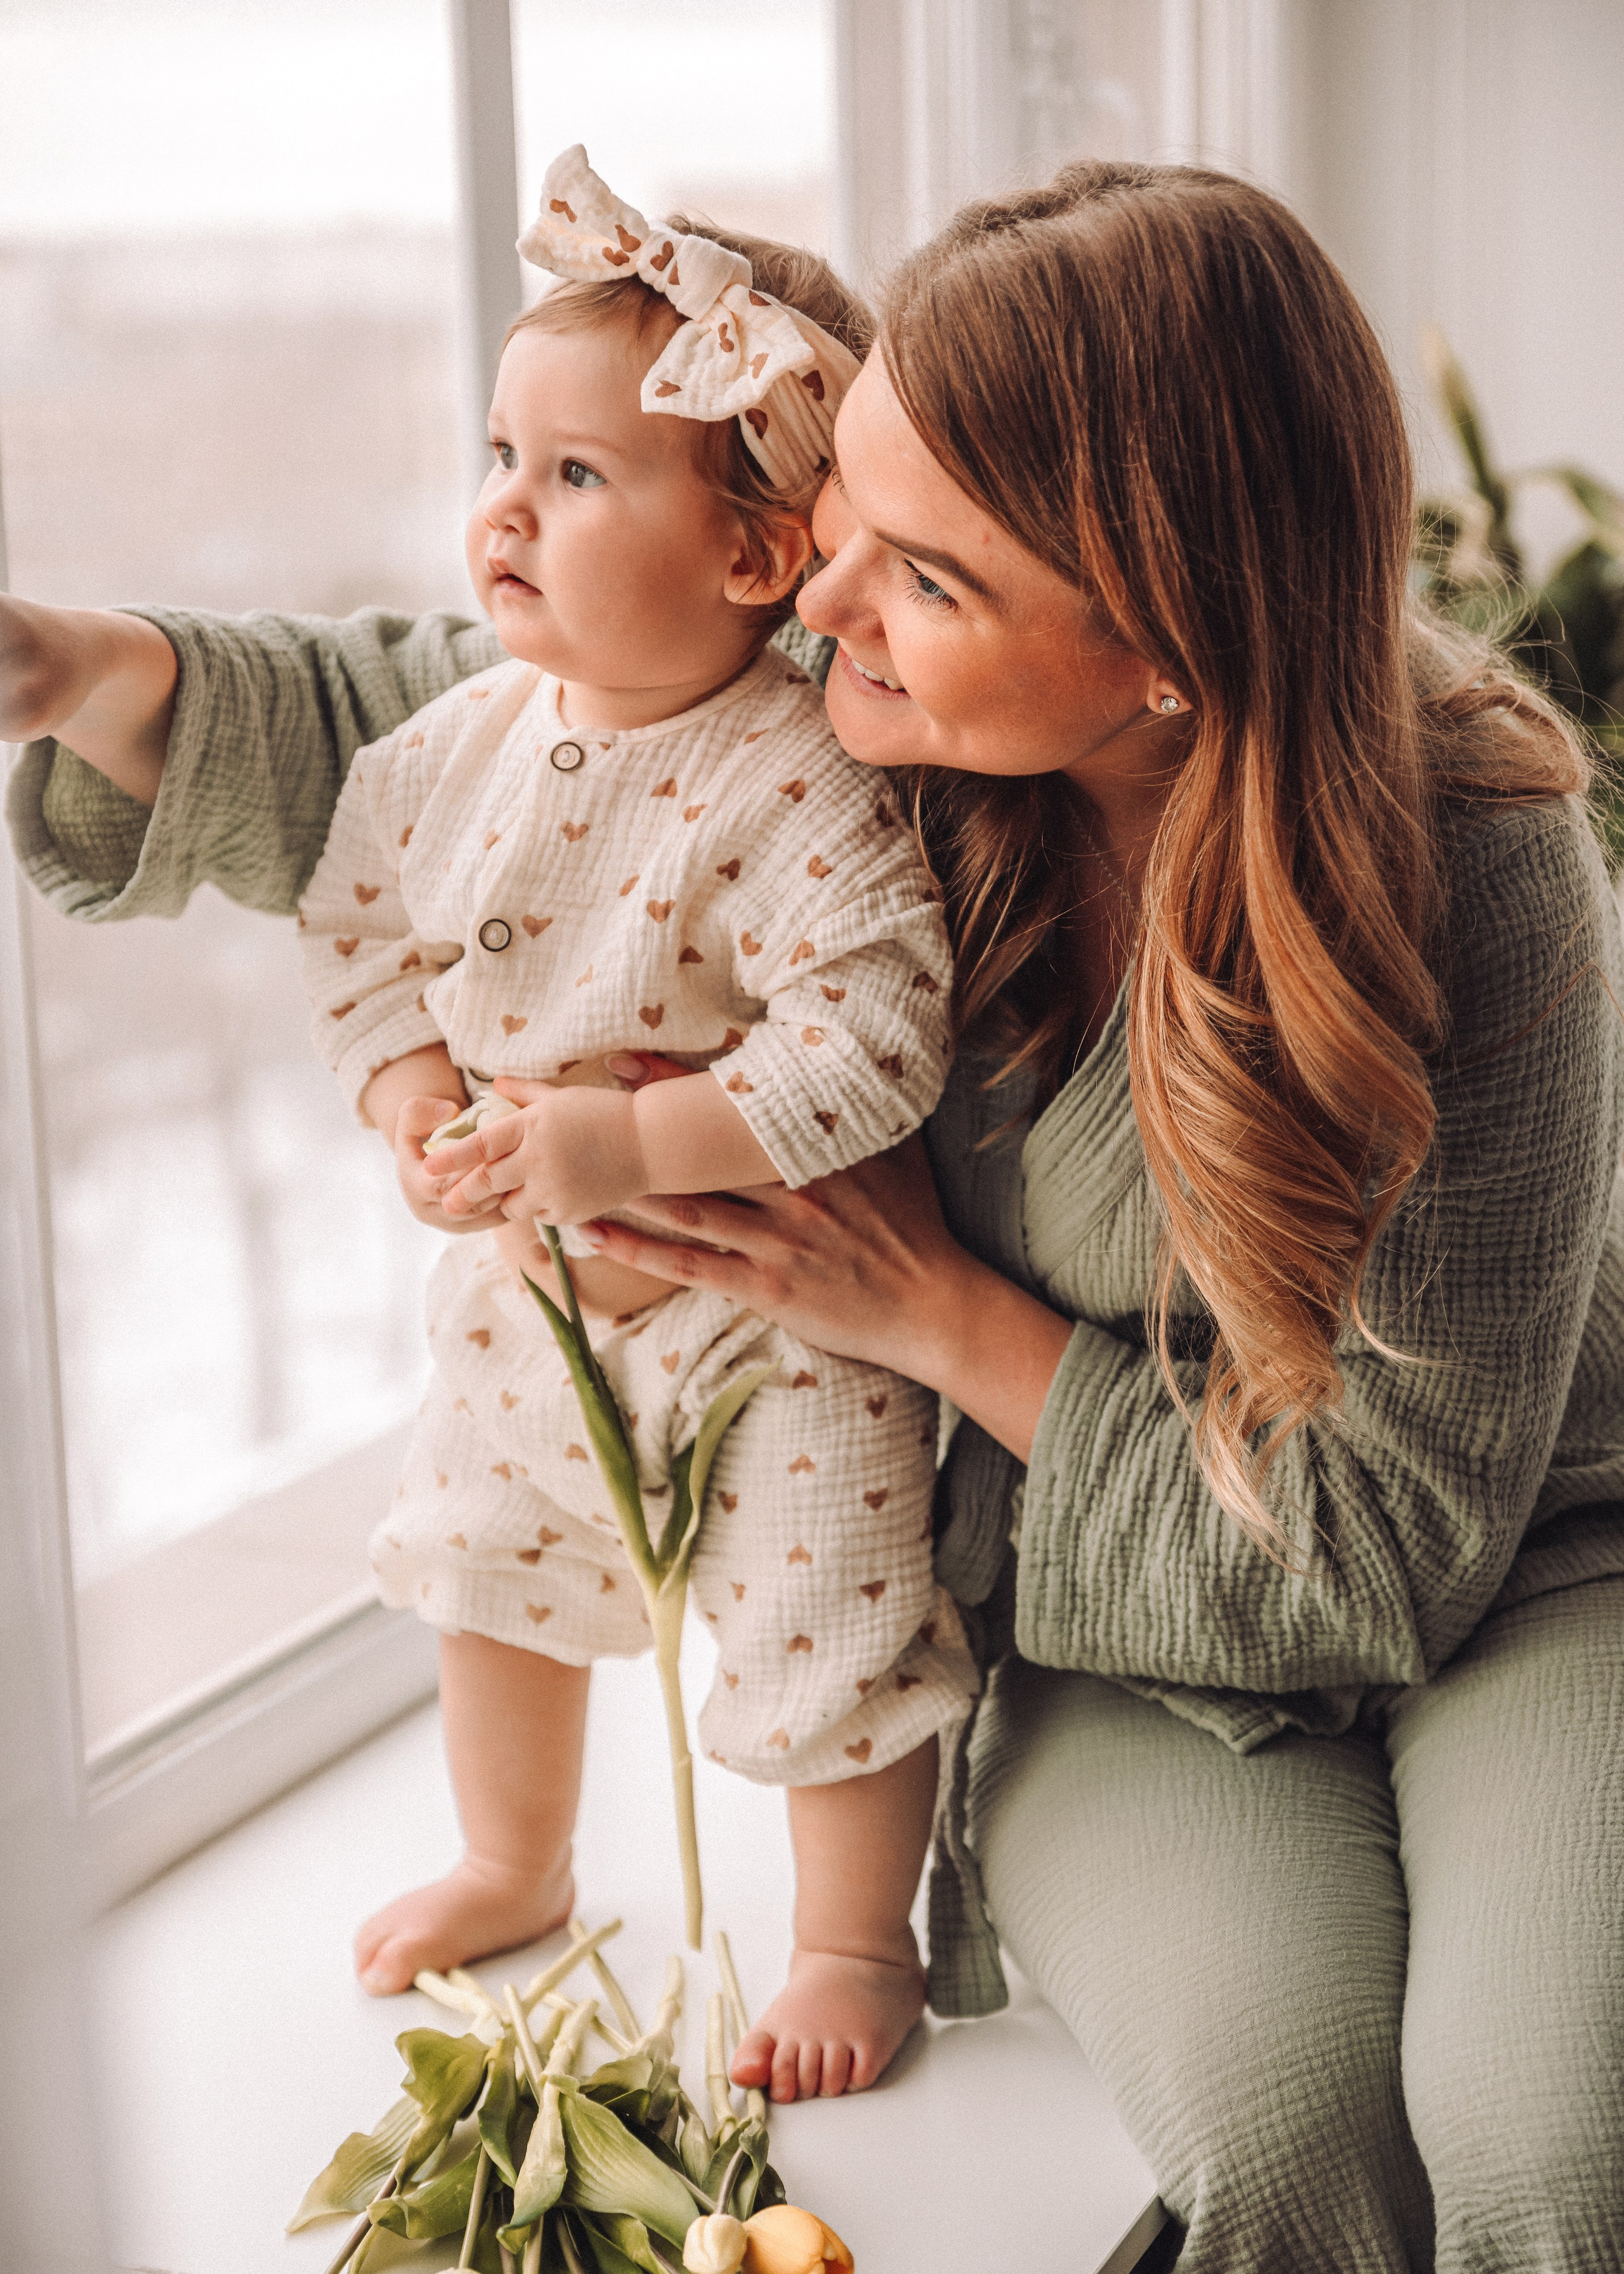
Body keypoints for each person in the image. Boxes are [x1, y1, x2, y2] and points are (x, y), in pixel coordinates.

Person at [4, 159, 1620, 2268]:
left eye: (923, 575)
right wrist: (77, 665)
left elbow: (1384, 1551)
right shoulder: (864, 735)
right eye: (840, 510)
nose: (824, 596)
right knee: (1283, 2133)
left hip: (1508, 1582)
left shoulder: (1480, 876)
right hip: (1091, 1617)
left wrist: (938, 1315)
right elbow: (464, 710)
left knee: (1555, 2143)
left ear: (1159, 657)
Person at [292, 145, 973, 2097]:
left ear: (754, 558)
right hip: (529, 1297)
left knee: (830, 1620)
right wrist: (414, 1094)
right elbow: (354, 931)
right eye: (500, 456)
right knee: (483, 1568)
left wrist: (631, 1149)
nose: (504, 508)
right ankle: (515, 1854)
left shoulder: (797, 783)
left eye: (575, 477)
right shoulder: (449, 752)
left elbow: (875, 1043)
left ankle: (855, 1939)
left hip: (774, 1312)